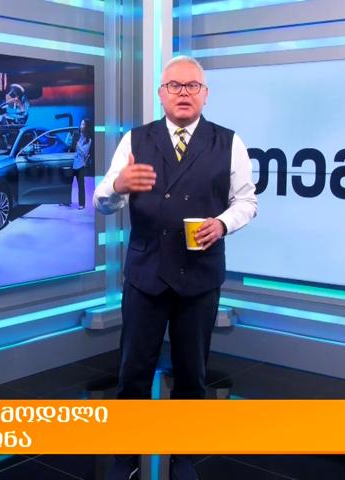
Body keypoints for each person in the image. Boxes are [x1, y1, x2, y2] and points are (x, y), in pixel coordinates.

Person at [94, 56, 257, 480]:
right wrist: (117, 186)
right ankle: (125, 455)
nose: (183, 93)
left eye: (192, 86)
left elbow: (247, 202)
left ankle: (184, 454)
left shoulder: (229, 143)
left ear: (205, 94)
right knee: (133, 372)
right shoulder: (135, 140)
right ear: (161, 93)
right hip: (145, 276)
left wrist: (223, 223)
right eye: (174, 86)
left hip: (199, 279)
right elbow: (101, 201)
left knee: (191, 375)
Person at [61, 118, 92, 209]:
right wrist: (69, 137)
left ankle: (82, 204)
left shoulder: (88, 140)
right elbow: (67, 145)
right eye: (81, 124)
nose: (81, 126)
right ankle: (66, 201)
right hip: (72, 162)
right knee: (68, 183)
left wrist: (78, 145)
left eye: (83, 124)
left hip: (80, 165)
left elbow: (85, 153)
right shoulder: (76, 135)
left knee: (81, 185)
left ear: (86, 127)